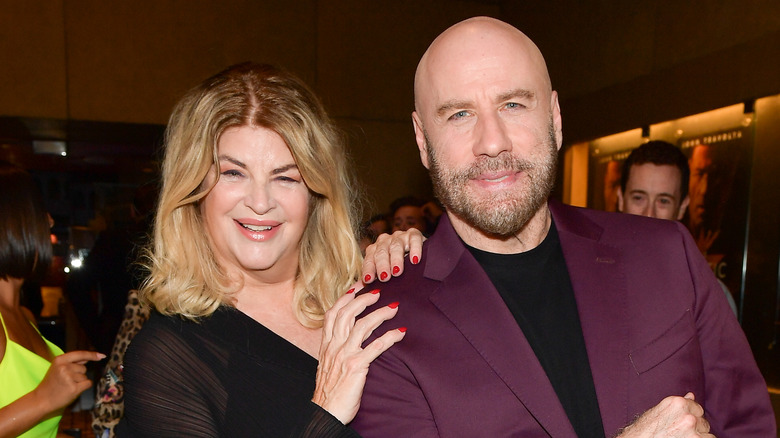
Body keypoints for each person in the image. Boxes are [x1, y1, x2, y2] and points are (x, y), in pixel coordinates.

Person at [351, 17, 775, 437]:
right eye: (460, 114)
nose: (492, 141)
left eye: (513, 105)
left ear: (554, 117)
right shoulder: (383, 321)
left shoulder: (666, 252)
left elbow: (749, 425)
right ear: (423, 141)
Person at [117, 63, 409, 437]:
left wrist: (422, 270)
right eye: (233, 173)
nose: (260, 202)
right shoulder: (169, 355)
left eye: (285, 177)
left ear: (315, 194)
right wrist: (327, 412)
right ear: (195, 188)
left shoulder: (360, 304)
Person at [0, 160, 105, 438]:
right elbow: (38, 404)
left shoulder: (24, 315)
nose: (49, 220)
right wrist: (44, 398)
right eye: (38, 212)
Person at [617, 141, 738, 315]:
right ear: (621, 199)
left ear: (682, 207)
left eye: (663, 201)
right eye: (638, 198)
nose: (649, 214)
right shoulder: (587, 281)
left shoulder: (708, 298)